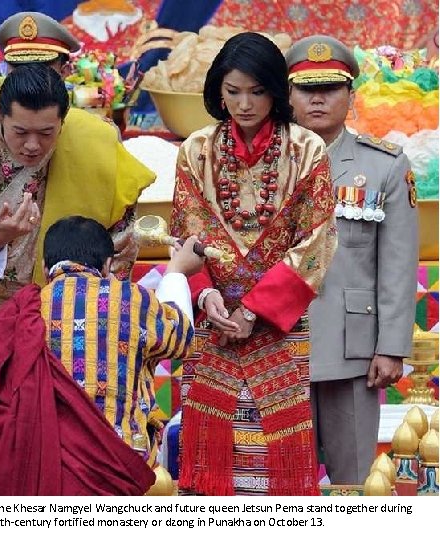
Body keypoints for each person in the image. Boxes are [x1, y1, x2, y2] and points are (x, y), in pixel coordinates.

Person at [0, 18, 156, 458]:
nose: (32, 146)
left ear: (64, 119)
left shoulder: (94, 144)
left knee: (63, 452)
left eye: (46, 134)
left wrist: (94, 309)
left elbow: (120, 241)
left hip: (70, 325)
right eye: (19, 132)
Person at [171, 32, 337, 496]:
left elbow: (317, 241)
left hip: (278, 325)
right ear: (217, 91)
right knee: (212, 452)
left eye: (258, 91)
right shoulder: (196, 150)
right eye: (233, 91)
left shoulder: (306, 149)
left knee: (273, 455)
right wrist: (206, 297)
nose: (244, 104)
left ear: (278, 91)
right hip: (213, 322)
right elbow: (188, 235)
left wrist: (252, 311)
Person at [0, 215, 202, 495]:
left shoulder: (20, 312)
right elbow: (182, 339)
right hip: (119, 463)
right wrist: (176, 271)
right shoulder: (134, 299)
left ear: (44, 267)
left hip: (37, 466)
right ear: (108, 265)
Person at [287, 35, 419, 484]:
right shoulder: (266, 163)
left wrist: (391, 346)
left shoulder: (384, 165)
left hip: (354, 348)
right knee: (285, 486)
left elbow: (398, 264)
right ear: (289, 95)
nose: (318, 97)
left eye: (331, 87)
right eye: (306, 88)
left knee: (355, 482)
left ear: (351, 95)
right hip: (279, 342)